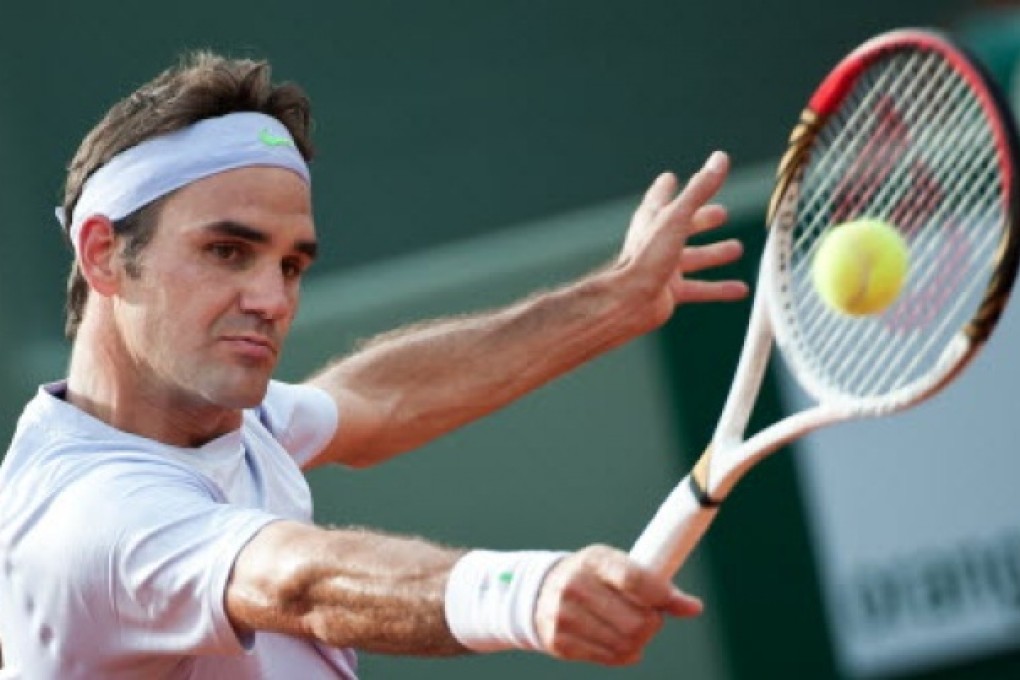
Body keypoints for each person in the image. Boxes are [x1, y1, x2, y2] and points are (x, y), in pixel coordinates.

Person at [0, 51, 748, 679]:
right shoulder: (92, 518)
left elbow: (377, 399)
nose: (270, 298)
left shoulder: (205, 413)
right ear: (103, 253)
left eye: (292, 265)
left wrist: (612, 302)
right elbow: (297, 581)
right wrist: (525, 591)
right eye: (226, 251)